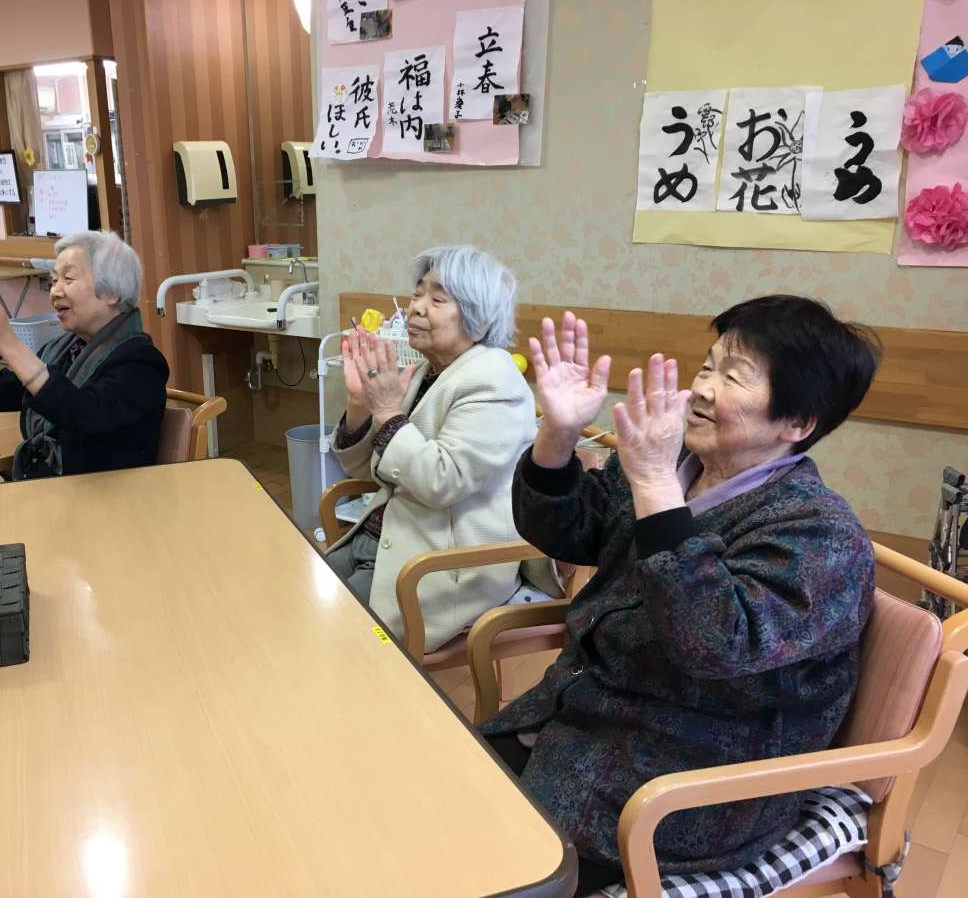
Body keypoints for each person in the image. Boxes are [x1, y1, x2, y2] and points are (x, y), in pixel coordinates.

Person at [480, 296, 881, 892]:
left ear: (798, 423)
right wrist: (558, 434)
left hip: (682, 786)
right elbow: (567, 529)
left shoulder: (822, 534)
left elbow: (713, 642)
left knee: (485, 866)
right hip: (577, 718)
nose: (702, 389)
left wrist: (652, 483)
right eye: (708, 365)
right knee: (430, 797)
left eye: (734, 377)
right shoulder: (677, 466)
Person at [327, 245, 536, 651]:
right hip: (385, 538)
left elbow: (442, 481)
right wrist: (359, 404)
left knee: (330, 638)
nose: (416, 307)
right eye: (417, 293)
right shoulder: (430, 371)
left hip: (437, 564)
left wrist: (388, 412)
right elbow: (368, 469)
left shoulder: (495, 381)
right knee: (293, 595)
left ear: (479, 320)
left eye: (438, 300)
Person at [0, 231, 169, 481]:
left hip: (111, 500)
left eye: (68, 279)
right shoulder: (65, 349)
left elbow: (82, 414)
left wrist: (9, 344)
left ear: (112, 292)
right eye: (53, 280)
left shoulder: (141, 362)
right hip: (55, 489)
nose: (55, 291)